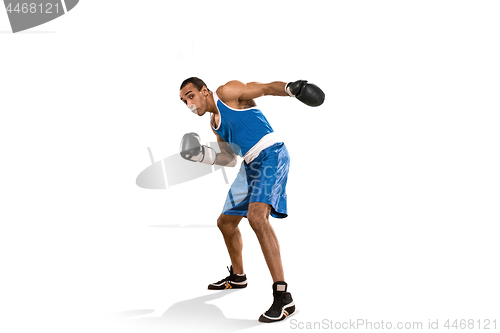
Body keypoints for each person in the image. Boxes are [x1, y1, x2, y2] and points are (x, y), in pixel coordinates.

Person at [178, 77, 324, 323]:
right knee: (225, 223)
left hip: (270, 154)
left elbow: (265, 89)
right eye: (184, 102)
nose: (189, 104)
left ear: (204, 90)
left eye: (190, 96)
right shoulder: (214, 124)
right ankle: (238, 276)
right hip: (249, 165)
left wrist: (291, 89)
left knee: (257, 218)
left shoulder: (227, 93)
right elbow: (228, 158)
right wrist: (201, 155)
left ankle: (283, 296)